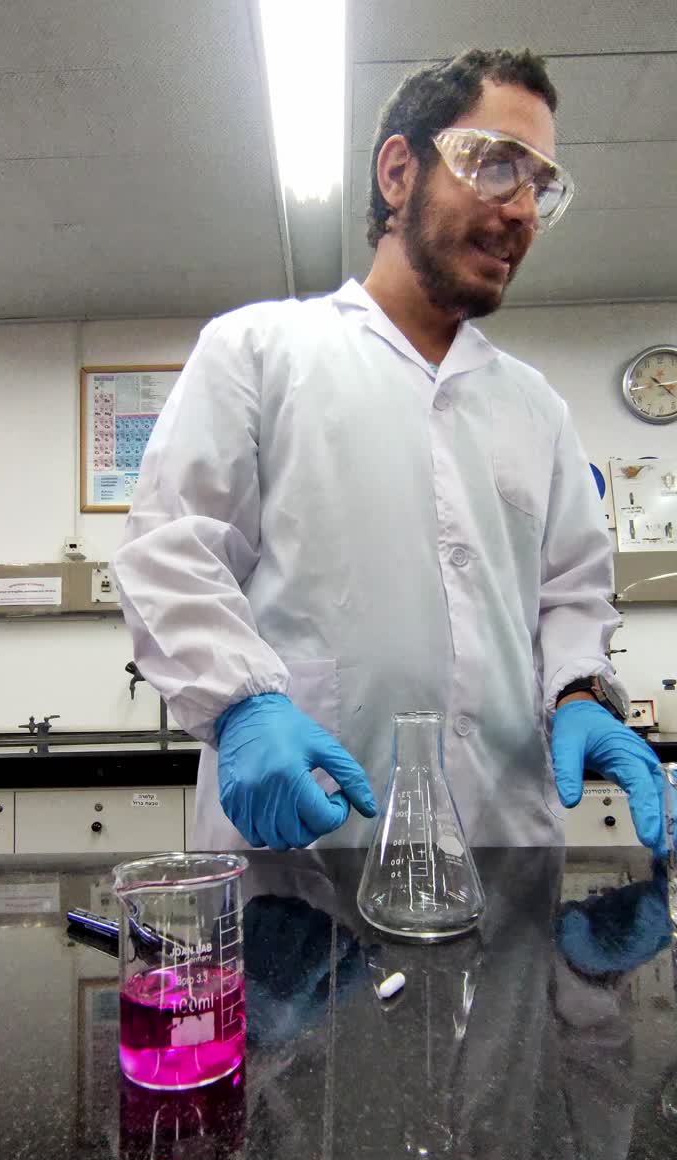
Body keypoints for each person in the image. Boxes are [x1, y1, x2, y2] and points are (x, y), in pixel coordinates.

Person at [113, 47, 664, 853]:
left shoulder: (535, 408)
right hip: (309, 852)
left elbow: (569, 594)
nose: (520, 211)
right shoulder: (261, 351)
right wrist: (242, 706)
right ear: (399, 171)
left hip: (501, 855)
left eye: (540, 187)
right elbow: (170, 553)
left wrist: (580, 692)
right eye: (495, 165)